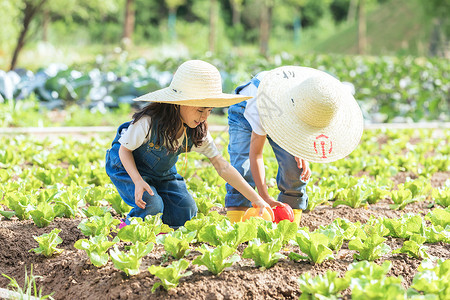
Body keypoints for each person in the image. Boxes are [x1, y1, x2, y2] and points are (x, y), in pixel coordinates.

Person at [105, 60, 272, 229]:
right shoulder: (147, 122)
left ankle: (159, 227)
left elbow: (223, 167)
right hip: (126, 167)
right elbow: (124, 151)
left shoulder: (198, 132)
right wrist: (138, 181)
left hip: (161, 173)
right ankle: (128, 227)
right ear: (179, 102)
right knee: (152, 204)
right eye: (200, 110)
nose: (204, 117)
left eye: (209, 111)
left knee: (186, 208)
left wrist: (256, 199)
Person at [225, 66, 364, 225]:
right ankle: (236, 223)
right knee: (242, 169)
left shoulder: (311, 100)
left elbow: (299, 127)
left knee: (296, 168)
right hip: (246, 109)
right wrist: (264, 196)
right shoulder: (264, 106)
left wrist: (299, 150)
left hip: (288, 110)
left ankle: (288, 225)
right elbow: (255, 154)